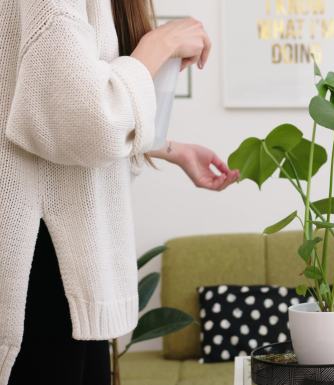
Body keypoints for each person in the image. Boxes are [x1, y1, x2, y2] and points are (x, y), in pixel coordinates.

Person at [0, 0, 239, 384]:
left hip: (70, 252)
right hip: (42, 255)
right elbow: (79, 118)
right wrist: (159, 44)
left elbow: (52, 105)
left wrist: (170, 149)